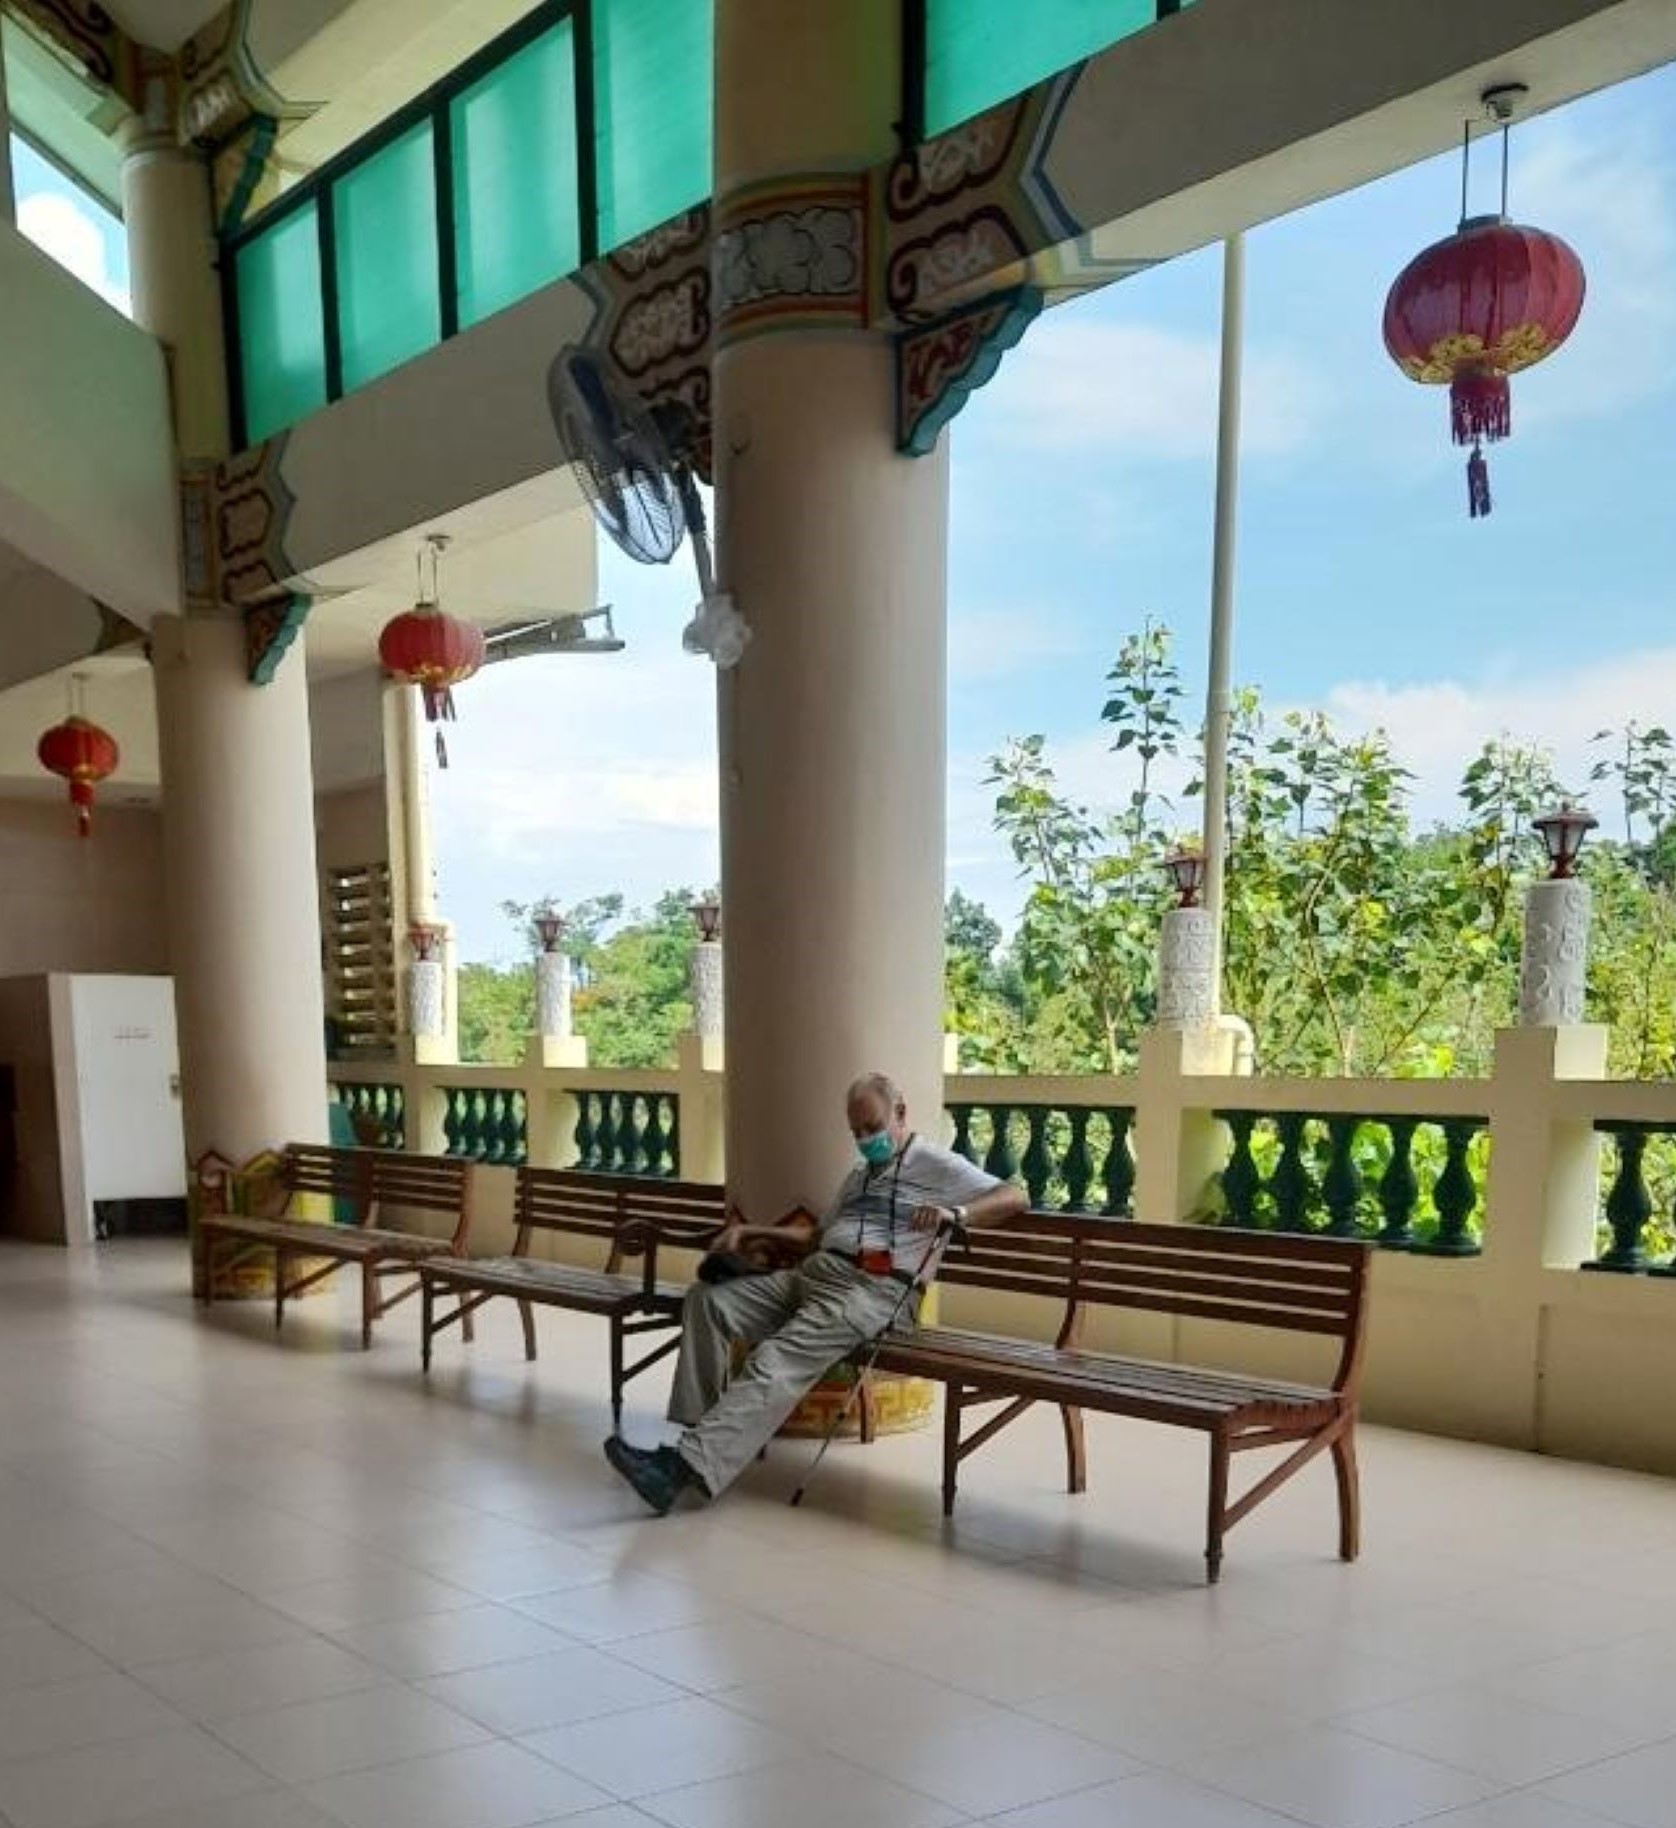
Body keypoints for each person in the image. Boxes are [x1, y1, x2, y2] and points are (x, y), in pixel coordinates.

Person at [603, 1071, 1027, 1514]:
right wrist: (749, 1230)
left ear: (900, 1113)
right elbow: (815, 1238)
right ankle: (698, 1443)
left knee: (776, 1358)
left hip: (874, 1292)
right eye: (857, 1132)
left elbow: (1015, 1197)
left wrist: (954, 1212)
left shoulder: (935, 1165)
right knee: (707, 1302)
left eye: (873, 1126)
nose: (865, 1139)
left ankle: (680, 1469)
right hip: (814, 1275)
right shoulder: (858, 1177)